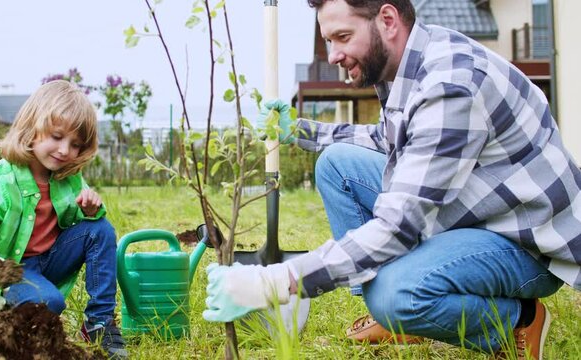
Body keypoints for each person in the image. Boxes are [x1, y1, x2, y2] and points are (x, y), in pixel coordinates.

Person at [203, 0, 580, 358]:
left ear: (387, 20)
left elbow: (398, 227)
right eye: (328, 41)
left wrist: (275, 281)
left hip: (523, 241)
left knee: (395, 294)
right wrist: (300, 130)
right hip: (472, 208)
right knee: (337, 165)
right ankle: (406, 316)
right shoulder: (409, 63)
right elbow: (390, 138)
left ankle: (517, 322)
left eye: (343, 38)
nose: (333, 55)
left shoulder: (451, 85)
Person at [0, 80, 128, 359]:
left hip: (49, 260)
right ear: (32, 128)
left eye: (75, 144)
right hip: (12, 271)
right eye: (57, 137)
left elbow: (73, 223)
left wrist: (88, 211)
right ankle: (4, 319)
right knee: (48, 303)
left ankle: (99, 323)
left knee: (100, 229)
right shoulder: (1, 181)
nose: (64, 150)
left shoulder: (66, 177)